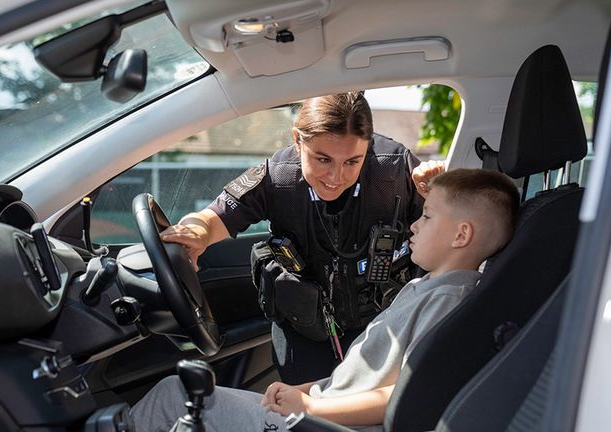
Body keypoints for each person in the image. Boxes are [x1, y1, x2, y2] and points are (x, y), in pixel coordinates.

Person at [132, 168, 521, 432]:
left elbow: (407, 392)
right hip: (324, 411)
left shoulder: (448, 300)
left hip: (330, 426)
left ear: (461, 235)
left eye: (429, 217)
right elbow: (365, 377)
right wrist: (307, 390)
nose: (414, 223)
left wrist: (312, 409)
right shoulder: (430, 288)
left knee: (174, 394)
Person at [161, 92, 445, 384]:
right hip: (305, 330)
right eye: (323, 159)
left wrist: (437, 195)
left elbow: (455, 237)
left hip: (386, 325)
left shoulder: (396, 168)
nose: (336, 176)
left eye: (352, 161)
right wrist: (195, 231)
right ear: (297, 140)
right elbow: (213, 217)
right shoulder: (278, 176)